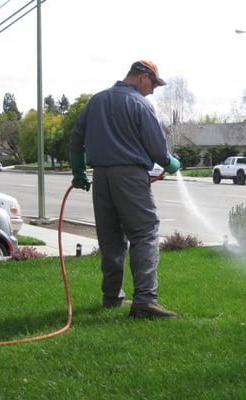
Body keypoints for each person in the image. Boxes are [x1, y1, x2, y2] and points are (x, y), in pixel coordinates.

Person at [70, 60, 180, 319]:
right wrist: (170, 162)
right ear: (143, 77)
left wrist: (78, 173)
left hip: (102, 177)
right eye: (153, 83)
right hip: (130, 176)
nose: (152, 90)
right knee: (145, 232)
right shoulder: (140, 104)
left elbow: (76, 140)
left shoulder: (96, 101)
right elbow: (156, 149)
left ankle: (111, 296)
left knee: (110, 239)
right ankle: (145, 300)